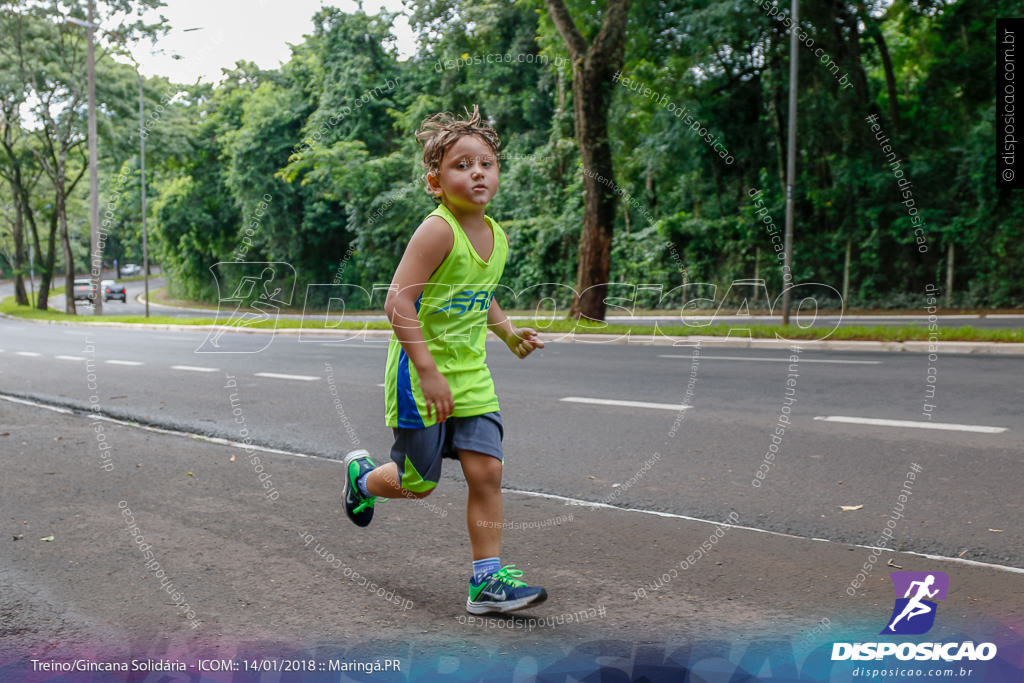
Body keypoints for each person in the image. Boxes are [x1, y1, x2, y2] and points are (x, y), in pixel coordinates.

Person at [342, 105, 547, 614]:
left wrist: (507, 333)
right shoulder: (438, 230)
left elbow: (481, 292)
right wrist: (429, 371)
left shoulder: (497, 234)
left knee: (487, 474)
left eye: (486, 163)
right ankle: (362, 480)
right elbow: (398, 301)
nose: (477, 172)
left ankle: (486, 582)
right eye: (462, 165)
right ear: (435, 182)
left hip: (472, 377)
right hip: (419, 376)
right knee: (417, 485)